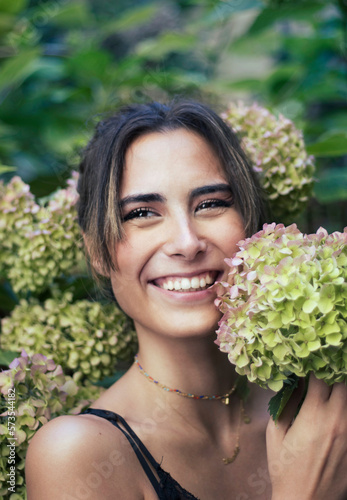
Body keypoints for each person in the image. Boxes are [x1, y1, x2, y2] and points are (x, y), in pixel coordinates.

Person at [25, 100, 347, 500]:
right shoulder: (76, 455)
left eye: (210, 204)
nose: (187, 243)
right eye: (142, 212)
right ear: (97, 252)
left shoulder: (328, 407)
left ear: (253, 226)